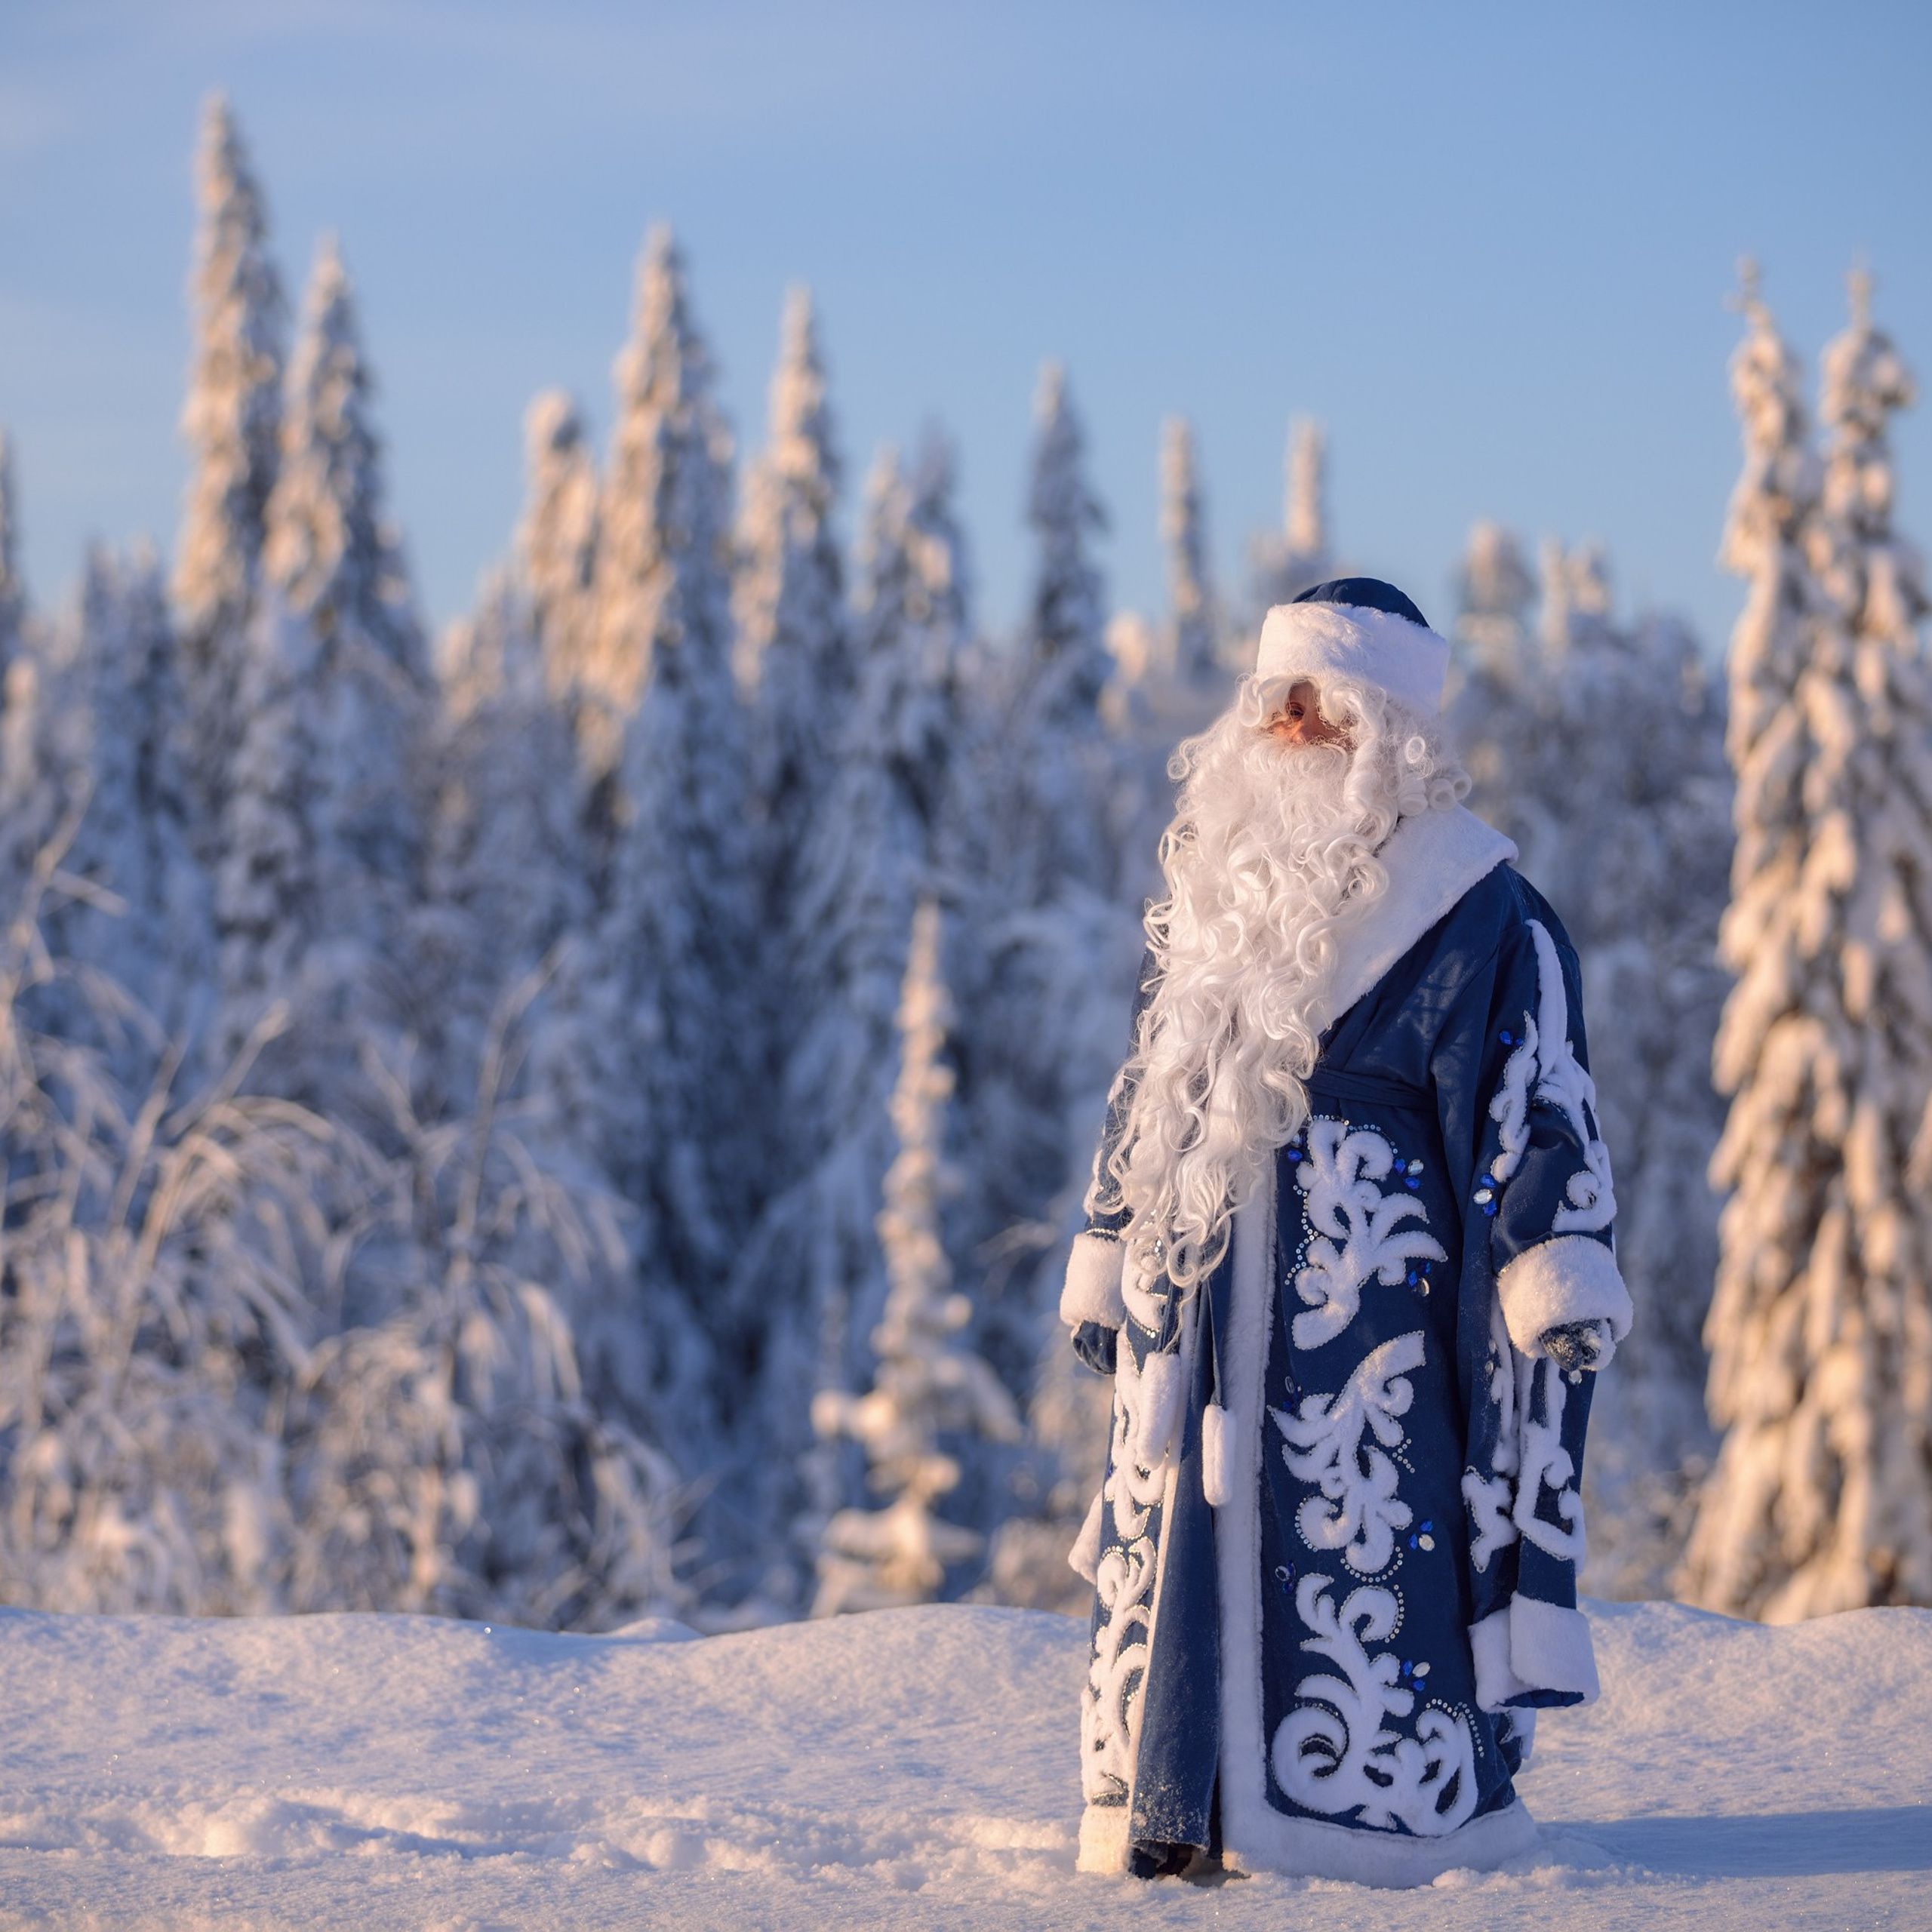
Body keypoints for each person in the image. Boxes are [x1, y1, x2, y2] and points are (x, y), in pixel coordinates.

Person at [1063, 578, 1629, 1885]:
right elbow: (1152, 1087)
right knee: (1183, 1532)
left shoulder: (1481, 910)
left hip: (1371, 1330)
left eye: (1328, 702)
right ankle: (1179, 1800)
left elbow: (1536, 1102)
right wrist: (1110, 1243)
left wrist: (1550, 1262)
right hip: (1192, 1316)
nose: (1296, 723)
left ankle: (1369, 1819)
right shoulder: (1221, 891)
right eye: (1282, 698)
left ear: (1398, 733)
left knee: (1369, 1537)